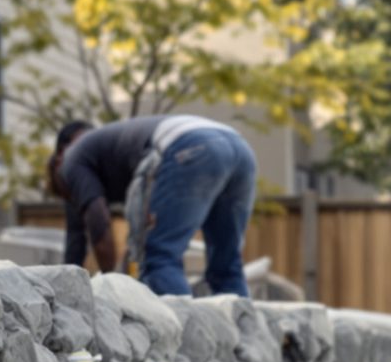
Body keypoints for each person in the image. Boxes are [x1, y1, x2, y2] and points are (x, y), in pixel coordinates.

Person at [50, 115, 258, 298]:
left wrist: (111, 285)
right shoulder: (102, 152)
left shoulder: (70, 161)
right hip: (239, 148)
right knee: (226, 265)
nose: (74, 200)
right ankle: (242, 330)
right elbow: (76, 242)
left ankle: (181, 331)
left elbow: (98, 220)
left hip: (190, 146)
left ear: (58, 161)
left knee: (158, 258)